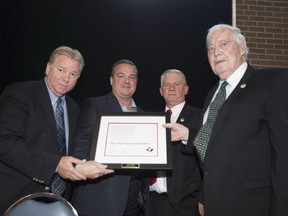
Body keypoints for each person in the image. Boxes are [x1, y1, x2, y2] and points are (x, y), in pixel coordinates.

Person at [164, 24, 288, 216]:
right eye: (211, 48)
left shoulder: (271, 82)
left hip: (254, 206)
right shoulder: (212, 94)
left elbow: (284, 153)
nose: (216, 51)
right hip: (215, 204)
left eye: (223, 43)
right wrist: (188, 134)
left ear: (242, 48)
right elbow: (218, 145)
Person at [0, 46, 113, 215]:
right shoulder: (21, 93)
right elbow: (5, 142)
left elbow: (70, 153)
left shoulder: (74, 108)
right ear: (48, 68)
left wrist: (82, 166)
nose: (66, 78)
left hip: (58, 202)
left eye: (73, 74)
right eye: (61, 70)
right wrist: (55, 164)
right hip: (17, 199)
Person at [71, 59, 148, 216]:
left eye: (132, 77)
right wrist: (81, 167)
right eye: (121, 76)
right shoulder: (94, 105)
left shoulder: (143, 115)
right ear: (111, 80)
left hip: (132, 200)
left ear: (136, 82)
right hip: (99, 195)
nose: (127, 81)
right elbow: (82, 141)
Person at [147, 69, 202, 216]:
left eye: (177, 84)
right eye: (167, 85)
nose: (171, 88)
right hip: (153, 203)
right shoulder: (151, 121)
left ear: (186, 89)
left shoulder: (201, 117)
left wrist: (203, 198)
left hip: (186, 205)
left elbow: (210, 158)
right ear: (161, 90)